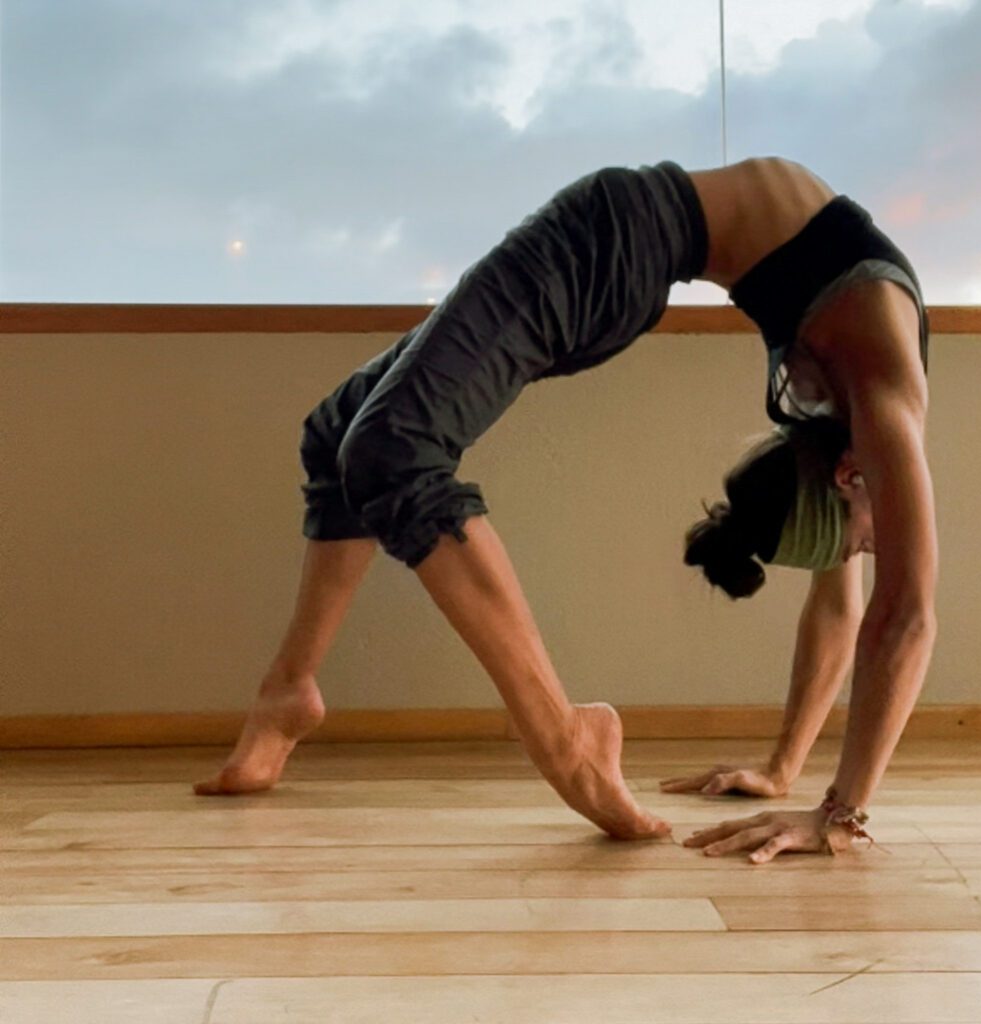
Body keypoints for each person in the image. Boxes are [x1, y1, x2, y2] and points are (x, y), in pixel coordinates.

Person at [193, 156, 937, 864]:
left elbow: (841, 610)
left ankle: (292, 693)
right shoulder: (882, 387)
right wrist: (843, 818)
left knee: (366, 442)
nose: (874, 552)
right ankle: (561, 736)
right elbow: (904, 614)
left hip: (623, 248)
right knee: (366, 442)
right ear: (850, 476)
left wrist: (784, 770)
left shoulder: (840, 435)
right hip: (617, 234)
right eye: (864, 546)